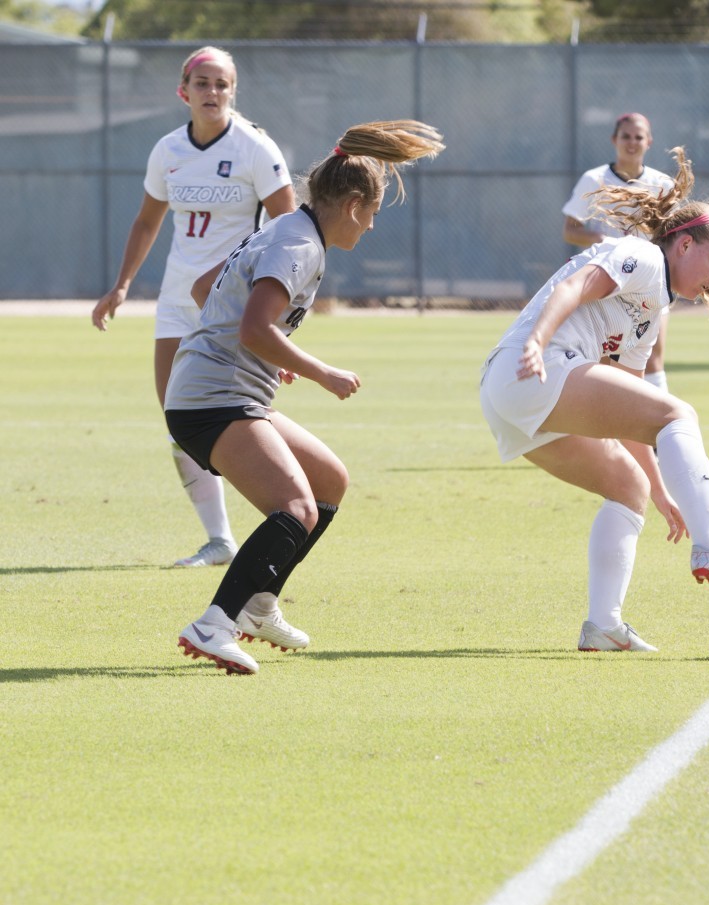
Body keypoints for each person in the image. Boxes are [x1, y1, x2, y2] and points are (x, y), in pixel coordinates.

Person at [165, 120, 445, 675]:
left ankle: (259, 603)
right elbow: (252, 327)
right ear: (352, 204)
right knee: (294, 508)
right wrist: (319, 371)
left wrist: (265, 353)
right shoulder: (297, 244)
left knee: (328, 482)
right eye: (371, 214)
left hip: (226, 389)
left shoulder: (289, 228)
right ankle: (214, 624)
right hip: (212, 398)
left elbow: (207, 291)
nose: (368, 227)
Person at [482, 147, 709, 653]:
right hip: (532, 368)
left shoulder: (652, 309)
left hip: (511, 394)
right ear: (683, 245)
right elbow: (575, 286)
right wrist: (537, 340)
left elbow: (627, 413)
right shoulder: (643, 257)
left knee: (628, 484)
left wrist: (662, 493)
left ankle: (603, 626)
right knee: (678, 413)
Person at [91, 46, 296, 568]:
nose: (212, 93)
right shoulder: (167, 151)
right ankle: (220, 539)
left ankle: (286, 510)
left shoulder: (254, 147)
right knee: (178, 418)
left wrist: (276, 320)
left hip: (230, 305)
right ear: (184, 91)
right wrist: (121, 286)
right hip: (177, 300)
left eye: (222, 84)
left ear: (233, 91)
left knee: (242, 412)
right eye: (202, 83)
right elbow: (146, 222)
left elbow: (289, 226)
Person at [562, 112, 674, 394]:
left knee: (652, 359)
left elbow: (672, 235)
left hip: (648, 281)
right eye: (626, 136)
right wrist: (602, 240)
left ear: (649, 142)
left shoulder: (662, 185)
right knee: (603, 360)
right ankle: (607, 429)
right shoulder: (595, 179)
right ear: (614, 140)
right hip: (608, 280)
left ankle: (655, 426)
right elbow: (570, 230)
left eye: (639, 137)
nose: (632, 142)